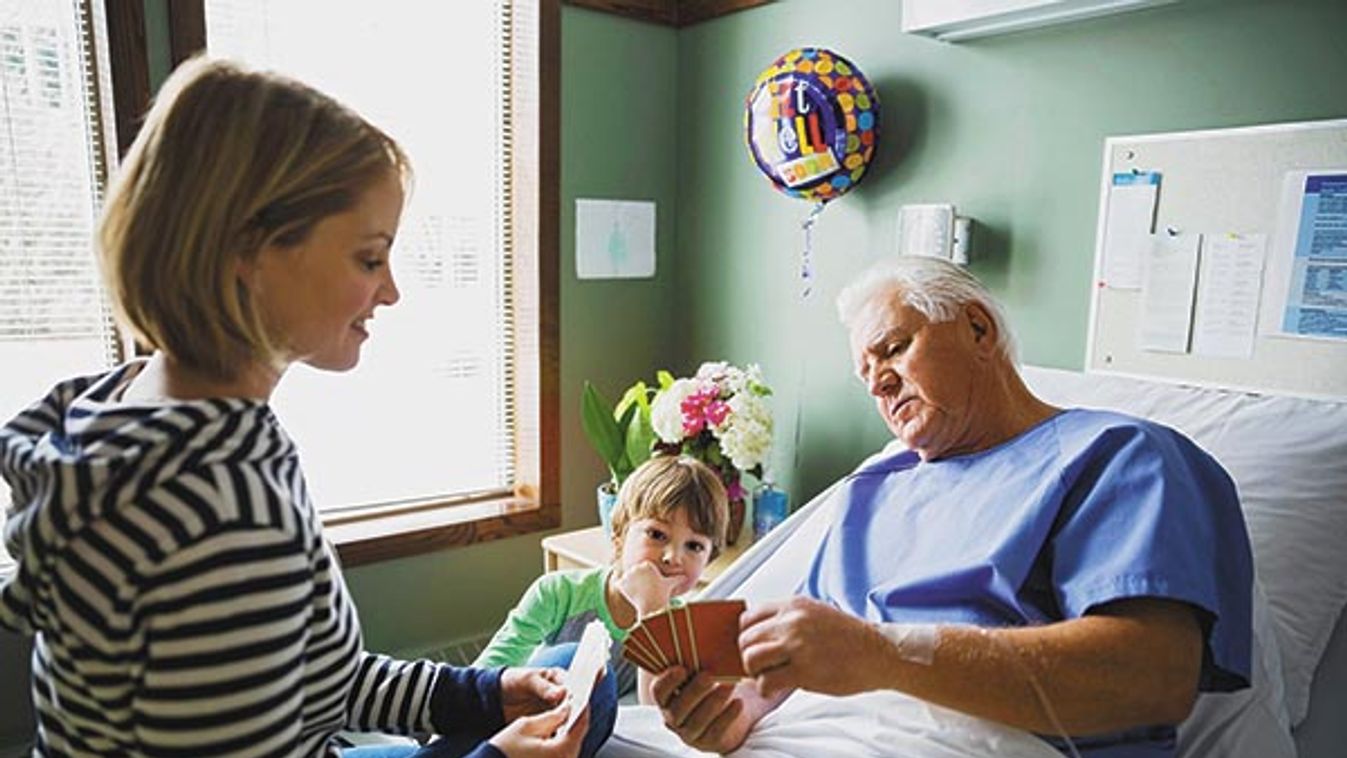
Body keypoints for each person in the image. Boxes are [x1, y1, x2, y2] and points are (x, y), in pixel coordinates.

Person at [0, 57, 587, 758]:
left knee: (558, 676)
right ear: (247, 251)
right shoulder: (226, 511)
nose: (391, 291)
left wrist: (478, 697)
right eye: (369, 259)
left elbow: (315, 680)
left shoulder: (118, 404)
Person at [649, 257, 1254, 758]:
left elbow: (1153, 678)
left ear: (978, 331)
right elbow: (795, 665)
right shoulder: (870, 491)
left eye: (893, 349)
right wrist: (732, 714)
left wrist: (884, 654)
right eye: (867, 374)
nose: (880, 383)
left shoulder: (1120, 457)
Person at [474, 455, 730, 756]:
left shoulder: (680, 624)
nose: (673, 556)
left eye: (694, 546)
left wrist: (651, 610)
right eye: (657, 535)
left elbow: (654, 714)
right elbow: (488, 675)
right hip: (531, 722)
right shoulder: (560, 593)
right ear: (619, 536)